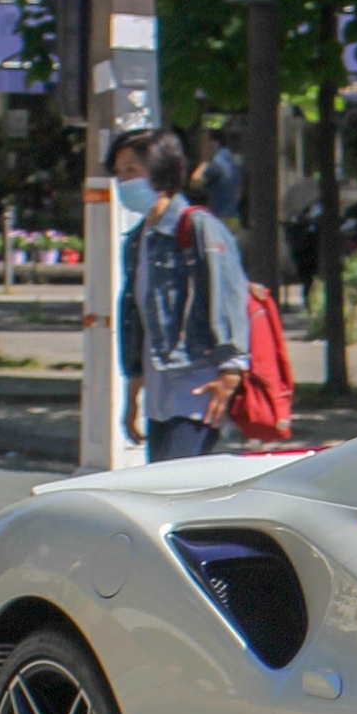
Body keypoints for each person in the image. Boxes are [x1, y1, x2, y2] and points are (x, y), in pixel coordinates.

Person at [109, 128, 250, 463]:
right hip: (160, 394)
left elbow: (228, 297)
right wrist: (133, 395)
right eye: (118, 172)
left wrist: (231, 372)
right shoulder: (138, 239)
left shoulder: (197, 226)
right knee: (164, 490)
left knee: (175, 491)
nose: (122, 181)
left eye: (132, 170)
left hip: (198, 386)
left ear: (160, 172)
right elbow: (137, 323)